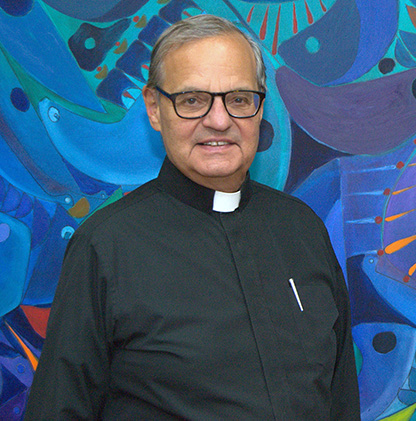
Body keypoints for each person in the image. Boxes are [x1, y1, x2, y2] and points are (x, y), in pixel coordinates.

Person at [25, 14, 360, 420]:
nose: (219, 121)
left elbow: (341, 400)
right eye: (192, 101)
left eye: (238, 99)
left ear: (260, 106)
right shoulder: (107, 246)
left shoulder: (302, 229)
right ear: (153, 109)